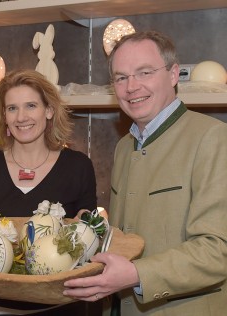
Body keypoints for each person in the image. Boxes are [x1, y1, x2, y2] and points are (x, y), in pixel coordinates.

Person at [63, 30, 227, 315]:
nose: (131, 87)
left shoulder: (213, 138)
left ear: (174, 74)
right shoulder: (125, 146)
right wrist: (93, 233)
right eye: (121, 77)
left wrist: (136, 274)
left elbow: (217, 251)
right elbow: (133, 232)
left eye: (144, 72)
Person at [0, 69, 99, 315]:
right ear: (4, 117)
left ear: (49, 111)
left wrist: (89, 227)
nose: (21, 117)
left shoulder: (78, 166)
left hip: (60, 307)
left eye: (31, 105)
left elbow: (86, 243)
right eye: (12, 108)